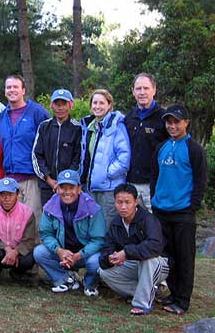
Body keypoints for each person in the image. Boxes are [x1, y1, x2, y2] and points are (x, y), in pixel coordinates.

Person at [151, 104, 207, 315]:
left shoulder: (194, 149)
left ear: (186, 122)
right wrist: (156, 198)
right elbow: (155, 176)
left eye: (176, 122)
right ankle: (173, 293)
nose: (172, 126)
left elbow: (201, 181)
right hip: (161, 211)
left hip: (183, 213)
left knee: (184, 257)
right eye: (169, 122)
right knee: (168, 256)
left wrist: (192, 206)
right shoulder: (162, 147)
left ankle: (182, 300)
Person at [99, 184, 168, 315]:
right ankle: (150, 291)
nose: (123, 206)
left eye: (127, 202)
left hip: (159, 264)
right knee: (104, 272)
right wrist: (109, 258)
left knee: (147, 260)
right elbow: (107, 247)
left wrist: (125, 252)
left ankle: (142, 304)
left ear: (135, 202)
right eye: (119, 202)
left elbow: (155, 246)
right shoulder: (116, 223)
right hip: (132, 264)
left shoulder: (148, 219)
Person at [34, 169, 105, 297]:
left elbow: (98, 240)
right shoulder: (50, 206)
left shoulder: (93, 208)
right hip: (63, 253)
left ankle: (90, 283)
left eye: (71, 187)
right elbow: (45, 234)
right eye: (63, 188)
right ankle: (66, 279)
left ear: (79, 189)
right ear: (57, 189)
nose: (67, 192)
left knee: (96, 260)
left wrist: (78, 255)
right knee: (39, 252)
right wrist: (59, 251)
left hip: (84, 254)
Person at [0, 75, 50, 223]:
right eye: (9, 87)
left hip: (31, 177)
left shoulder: (37, 112)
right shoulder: (3, 116)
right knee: (15, 223)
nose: (12, 90)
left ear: (23, 90)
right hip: (10, 178)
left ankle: (37, 247)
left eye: (16, 87)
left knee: (33, 219)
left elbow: (49, 140)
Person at [80, 89, 131, 228]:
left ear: (109, 105)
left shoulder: (117, 127)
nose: (97, 106)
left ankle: (109, 251)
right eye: (94, 103)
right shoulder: (89, 127)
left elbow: (124, 158)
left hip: (108, 188)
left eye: (101, 103)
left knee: (108, 226)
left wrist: (107, 174)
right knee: (93, 225)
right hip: (90, 187)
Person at [124, 73, 168, 211]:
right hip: (131, 183)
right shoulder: (128, 118)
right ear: (133, 91)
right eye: (138, 88)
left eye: (146, 88)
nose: (142, 92)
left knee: (155, 227)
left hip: (154, 185)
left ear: (154, 90)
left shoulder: (164, 117)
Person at [0, 177, 37, 286]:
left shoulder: (28, 212)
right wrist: (7, 249)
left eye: (10, 194)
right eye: (3, 195)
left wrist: (15, 252)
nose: (6, 198)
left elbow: (29, 239)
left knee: (30, 259)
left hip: (18, 251)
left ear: (17, 194)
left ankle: (16, 273)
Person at [32, 88, 81, 207]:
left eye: (63, 104)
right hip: (47, 186)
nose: (60, 108)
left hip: (70, 187)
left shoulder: (77, 128)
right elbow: (37, 155)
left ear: (70, 105)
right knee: (49, 219)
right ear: (51, 105)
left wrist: (66, 182)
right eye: (57, 104)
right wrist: (49, 179)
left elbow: (79, 157)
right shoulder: (44, 127)